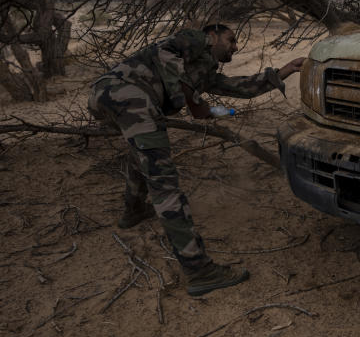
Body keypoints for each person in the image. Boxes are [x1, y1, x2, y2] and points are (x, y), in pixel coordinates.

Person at [88, 24, 304, 296]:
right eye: (231, 39)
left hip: (108, 96)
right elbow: (170, 54)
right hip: (129, 95)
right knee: (164, 184)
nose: (235, 46)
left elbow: (226, 96)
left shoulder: (202, 72)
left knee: (143, 153)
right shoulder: (193, 40)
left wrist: (283, 72)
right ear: (212, 37)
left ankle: (132, 211)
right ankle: (199, 271)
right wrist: (185, 93)